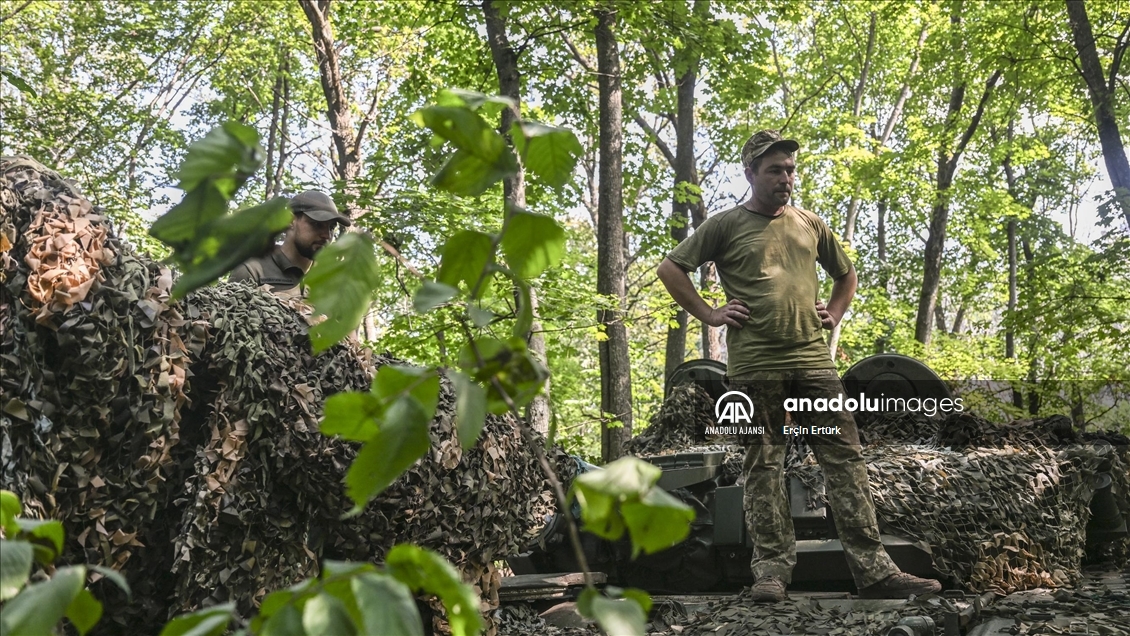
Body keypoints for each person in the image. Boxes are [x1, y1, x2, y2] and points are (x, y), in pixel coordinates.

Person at [656, 130, 942, 601]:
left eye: (790, 169)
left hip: (813, 362)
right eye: (775, 170)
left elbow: (846, 274)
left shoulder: (810, 224)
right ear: (751, 174)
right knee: (764, 464)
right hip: (754, 367)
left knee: (845, 460)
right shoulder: (726, 225)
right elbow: (670, 268)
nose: (786, 177)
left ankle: (874, 572)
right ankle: (771, 573)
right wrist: (710, 313)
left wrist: (835, 311)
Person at [229, 190, 351, 298]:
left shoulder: (332, 280)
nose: (327, 235)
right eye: (317, 224)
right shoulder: (253, 270)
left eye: (331, 227)